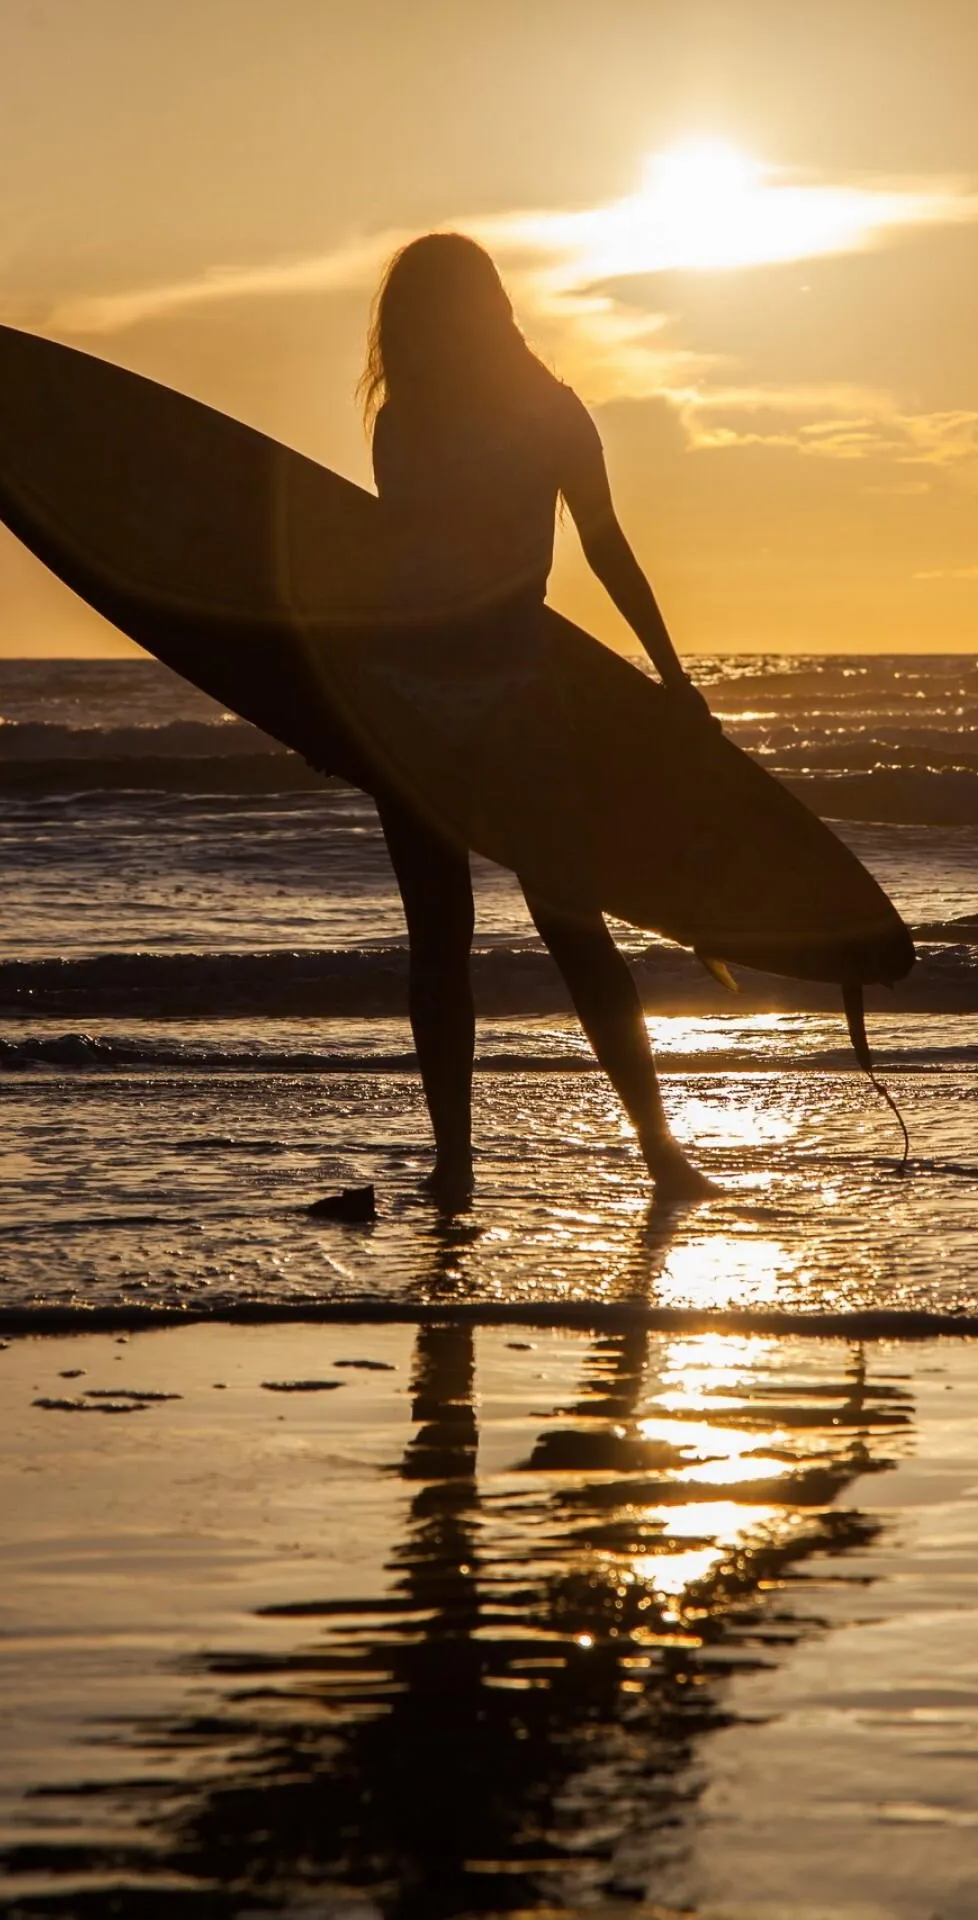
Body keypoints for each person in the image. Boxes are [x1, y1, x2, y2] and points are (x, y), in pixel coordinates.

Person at [355, 232, 719, 1209]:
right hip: (467, 692)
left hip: (448, 697)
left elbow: (600, 549)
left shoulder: (447, 418)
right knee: (522, 932)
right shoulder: (490, 416)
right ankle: (597, 1162)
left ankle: (509, 1166)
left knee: (508, 934)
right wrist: (672, 676)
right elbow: (584, 549)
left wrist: (673, 674)